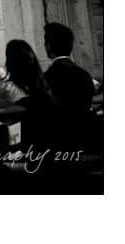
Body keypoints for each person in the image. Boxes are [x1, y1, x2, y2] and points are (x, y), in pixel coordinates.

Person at [43, 21, 97, 153]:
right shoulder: (84, 75)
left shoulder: (48, 77)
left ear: (49, 46)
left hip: (58, 143)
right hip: (86, 139)